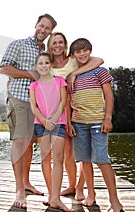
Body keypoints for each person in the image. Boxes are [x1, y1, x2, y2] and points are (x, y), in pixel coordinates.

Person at [0, 13, 57, 209]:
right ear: (36, 25)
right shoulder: (19, 44)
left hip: (38, 103)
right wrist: (28, 74)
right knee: (20, 141)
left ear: (50, 32)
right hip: (19, 98)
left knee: (30, 144)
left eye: (47, 28)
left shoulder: (47, 52)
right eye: (41, 26)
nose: (43, 30)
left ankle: (26, 182)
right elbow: (4, 68)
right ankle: (19, 190)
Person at [67, 38, 124, 212]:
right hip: (79, 123)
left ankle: (114, 200)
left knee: (102, 159)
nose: (82, 54)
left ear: (90, 51)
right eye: (78, 51)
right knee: (84, 160)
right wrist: (69, 122)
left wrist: (107, 117)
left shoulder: (100, 71)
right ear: (73, 55)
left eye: (85, 50)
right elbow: (68, 100)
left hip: (98, 122)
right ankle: (90, 194)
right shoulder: (70, 76)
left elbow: (109, 96)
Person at [46, 32, 104, 200]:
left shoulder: (73, 61)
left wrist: (73, 74)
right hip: (57, 112)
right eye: (54, 43)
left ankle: (80, 187)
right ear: (50, 46)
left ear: (65, 46)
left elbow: (98, 60)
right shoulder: (47, 65)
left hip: (77, 110)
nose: (57, 45)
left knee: (81, 152)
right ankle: (72, 186)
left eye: (61, 42)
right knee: (66, 153)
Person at [28, 52, 74, 212]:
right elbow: (34, 107)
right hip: (41, 125)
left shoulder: (60, 81)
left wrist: (53, 119)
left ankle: (56, 198)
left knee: (59, 158)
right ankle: (51, 195)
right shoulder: (33, 85)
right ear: (36, 67)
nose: (44, 66)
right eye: (40, 63)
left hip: (58, 123)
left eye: (47, 63)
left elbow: (63, 102)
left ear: (51, 65)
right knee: (45, 158)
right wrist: (44, 120)